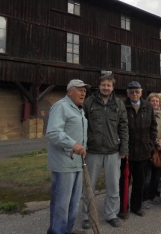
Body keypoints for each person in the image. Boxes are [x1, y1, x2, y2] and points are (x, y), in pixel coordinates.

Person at [81, 75, 128, 229]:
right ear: (99, 86)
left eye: (109, 85)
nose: (106, 88)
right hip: (92, 150)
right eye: (103, 85)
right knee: (89, 186)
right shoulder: (89, 102)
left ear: (113, 87)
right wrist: (83, 146)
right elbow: (82, 125)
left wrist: (124, 148)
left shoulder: (119, 104)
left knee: (114, 185)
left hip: (113, 151)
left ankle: (111, 214)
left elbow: (123, 127)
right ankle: (87, 216)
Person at [46, 79, 90, 234]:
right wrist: (73, 144)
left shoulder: (79, 109)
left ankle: (68, 231)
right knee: (61, 203)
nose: (83, 93)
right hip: (63, 163)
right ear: (70, 91)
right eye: (80, 90)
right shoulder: (61, 106)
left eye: (84, 90)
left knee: (73, 203)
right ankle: (57, 232)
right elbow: (53, 132)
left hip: (77, 162)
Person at [119, 81, 157, 217]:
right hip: (126, 152)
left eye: (137, 91)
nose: (134, 94)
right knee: (123, 182)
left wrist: (150, 144)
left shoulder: (147, 106)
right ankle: (123, 208)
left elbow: (153, 127)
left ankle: (136, 206)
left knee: (139, 182)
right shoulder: (122, 105)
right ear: (127, 93)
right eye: (131, 92)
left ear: (141, 92)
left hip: (143, 151)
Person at [143, 93, 161, 208]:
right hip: (149, 148)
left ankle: (153, 195)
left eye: (157, 101)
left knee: (157, 175)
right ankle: (145, 198)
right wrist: (156, 142)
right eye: (153, 101)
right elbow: (145, 132)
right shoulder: (145, 115)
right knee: (147, 176)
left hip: (159, 149)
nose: (155, 103)